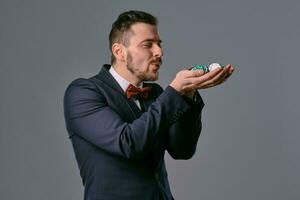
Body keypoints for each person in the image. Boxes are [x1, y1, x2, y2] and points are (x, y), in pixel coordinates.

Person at [63, 10, 234, 200]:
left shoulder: (157, 94)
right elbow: (127, 143)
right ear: (119, 51)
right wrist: (175, 91)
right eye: (148, 45)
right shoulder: (83, 92)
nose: (159, 52)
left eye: (159, 44)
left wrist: (188, 94)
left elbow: (182, 150)